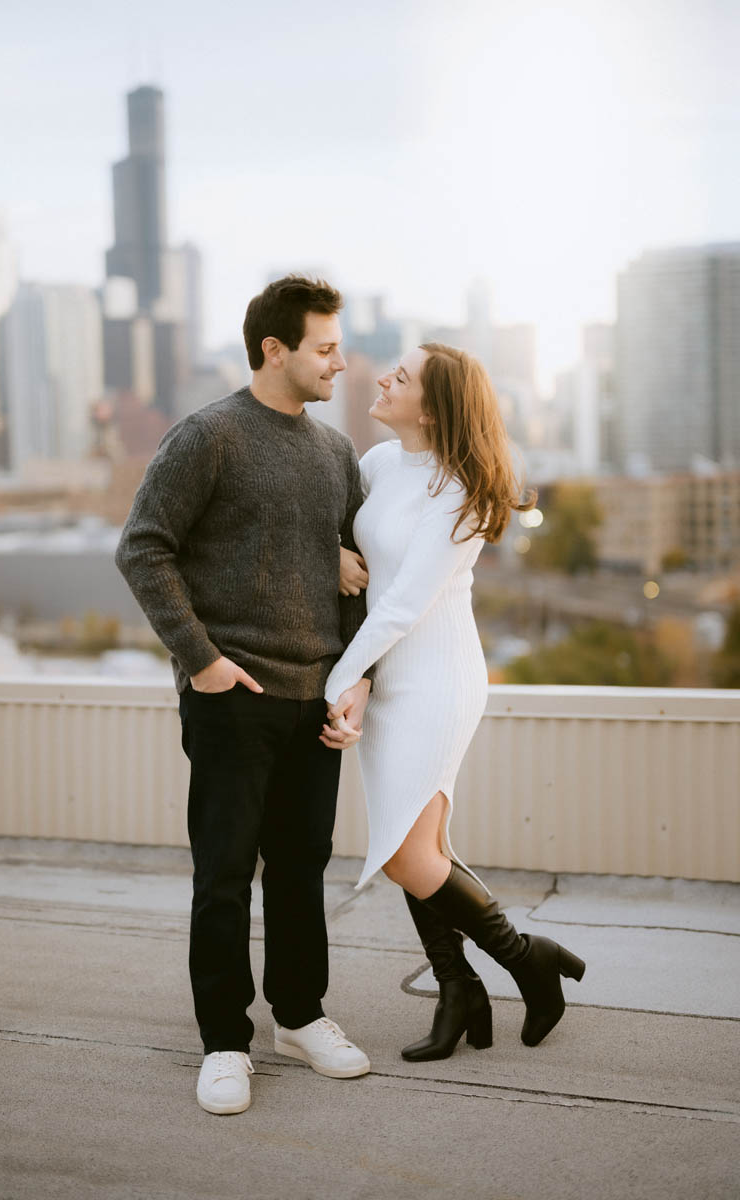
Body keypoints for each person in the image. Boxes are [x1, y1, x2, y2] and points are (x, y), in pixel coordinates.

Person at [115, 275, 372, 1115]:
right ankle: (225, 1041)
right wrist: (203, 662)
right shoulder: (209, 437)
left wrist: (358, 680)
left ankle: (299, 1015)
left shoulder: (335, 454)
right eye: (326, 347)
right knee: (224, 875)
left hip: (315, 699)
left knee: (300, 871)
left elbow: (356, 577)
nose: (341, 361)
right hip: (232, 694)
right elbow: (144, 549)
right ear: (276, 349)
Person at [322, 343, 586, 1061]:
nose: (382, 378)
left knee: (409, 858)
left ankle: (526, 957)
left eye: (400, 378)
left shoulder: (460, 491)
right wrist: (337, 564)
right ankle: (457, 988)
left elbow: (404, 603)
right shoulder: (377, 465)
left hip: (435, 681)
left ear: (434, 408)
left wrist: (340, 678)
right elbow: (351, 558)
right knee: (420, 846)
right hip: (383, 676)